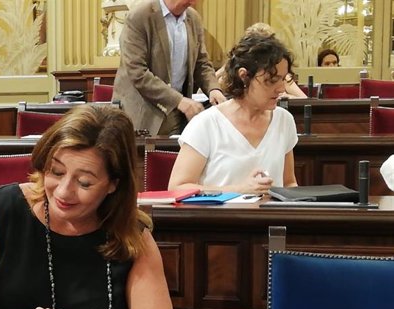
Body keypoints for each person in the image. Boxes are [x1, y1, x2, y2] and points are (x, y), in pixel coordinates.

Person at [0, 104, 176, 309]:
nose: (63, 192)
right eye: (56, 172)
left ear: (114, 184)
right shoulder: (5, 209)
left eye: (84, 183)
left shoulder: (131, 234)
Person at [168, 33, 298, 195]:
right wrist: (239, 190)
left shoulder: (284, 120)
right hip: (219, 218)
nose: (281, 89)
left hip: (271, 219)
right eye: (271, 80)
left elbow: (289, 182)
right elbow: (177, 187)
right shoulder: (206, 124)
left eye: (283, 80)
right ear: (243, 76)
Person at [113, 0, 226, 137]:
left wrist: (214, 88)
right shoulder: (140, 15)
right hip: (144, 115)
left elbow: (201, 62)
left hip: (179, 114)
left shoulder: (193, 18)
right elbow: (137, 72)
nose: (193, 3)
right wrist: (178, 100)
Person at [216, 23, 306, 100]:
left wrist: (285, 96)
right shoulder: (231, 68)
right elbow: (206, 91)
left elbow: (304, 100)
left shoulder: (280, 73)